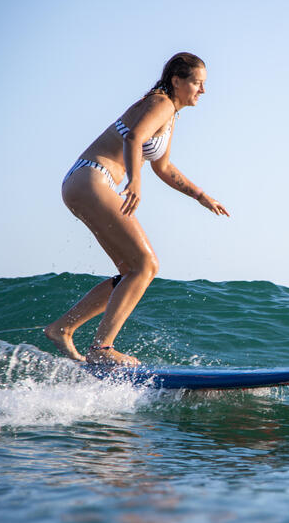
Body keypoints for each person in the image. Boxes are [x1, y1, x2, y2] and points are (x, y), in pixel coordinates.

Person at [45, 52, 229, 366]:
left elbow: (164, 166)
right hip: (93, 178)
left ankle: (63, 328)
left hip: (83, 182)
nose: (203, 90)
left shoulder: (171, 115)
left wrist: (200, 195)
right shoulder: (162, 103)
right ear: (177, 81)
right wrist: (134, 182)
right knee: (146, 265)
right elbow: (133, 138)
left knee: (131, 271)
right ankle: (102, 349)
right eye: (197, 83)